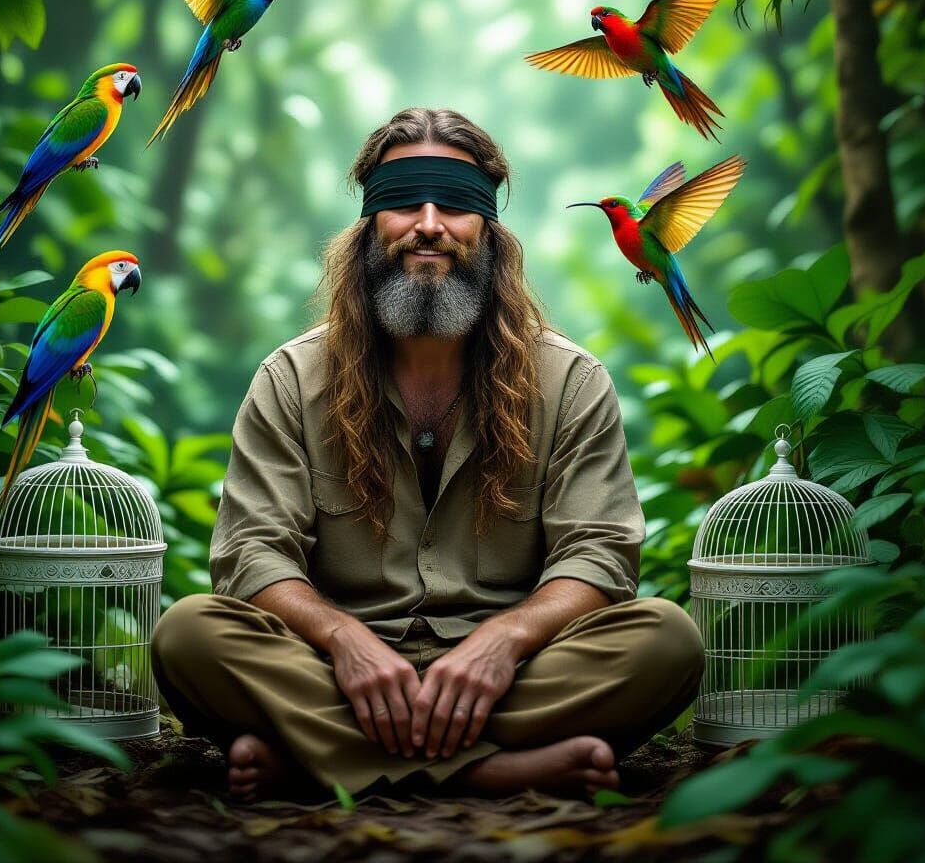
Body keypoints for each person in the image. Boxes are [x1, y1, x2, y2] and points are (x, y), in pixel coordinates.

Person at [150, 108, 704, 801]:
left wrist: (502, 642)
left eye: (457, 205)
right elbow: (251, 554)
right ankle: (493, 772)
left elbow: (597, 554)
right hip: (334, 674)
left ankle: (318, 763)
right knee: (190, 635)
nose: (431, 223)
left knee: (666, 641)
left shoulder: (570, 381)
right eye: (405, 201)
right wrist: (345, 642)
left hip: (512, 677)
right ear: (368, 228)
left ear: (491, 232)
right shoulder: (292, 378)